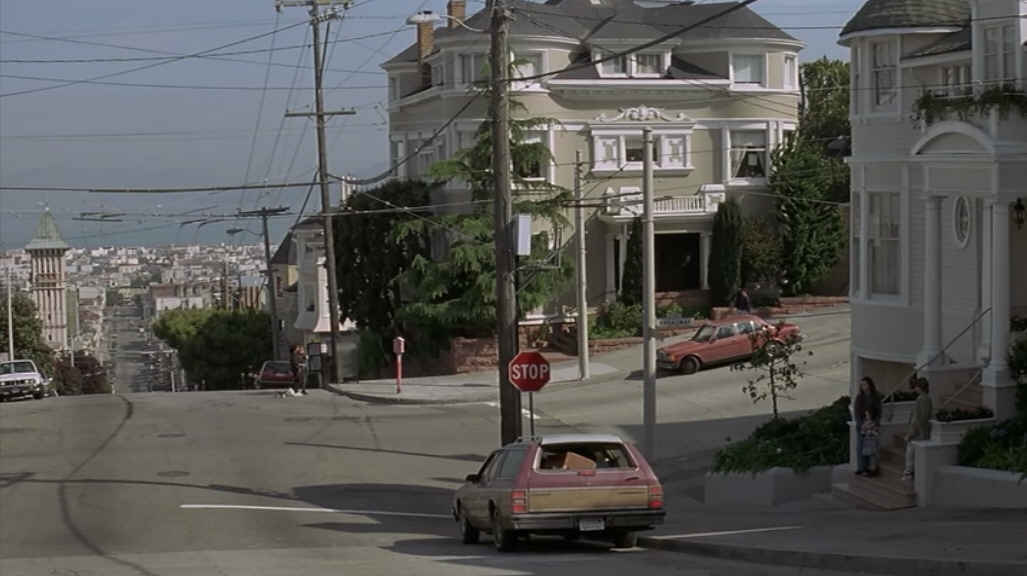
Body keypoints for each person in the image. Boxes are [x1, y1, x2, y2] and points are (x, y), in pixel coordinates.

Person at [902, 376, 933, 481]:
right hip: (920, 431)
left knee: (910, 451)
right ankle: (910, 472)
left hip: (918, 432)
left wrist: (911, 432)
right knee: (912, 451)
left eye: (916, 386)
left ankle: (908, 472)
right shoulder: (926, 398)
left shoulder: (922, 399)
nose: (915, 388)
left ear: (920, 387)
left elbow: (920, 418)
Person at [853, 377, 882, 476]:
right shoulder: (859, 397)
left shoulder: (876, 396)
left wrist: (875, 423)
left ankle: (871, 469)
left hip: (872, 426)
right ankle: (861, 468)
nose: (863, 386)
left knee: (871, 448)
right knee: (860, 447)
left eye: (864, 384)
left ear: (869, 384)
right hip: (862, 426)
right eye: (861, 385)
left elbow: (879, 412)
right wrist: (861, 424)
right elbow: (856, 413)